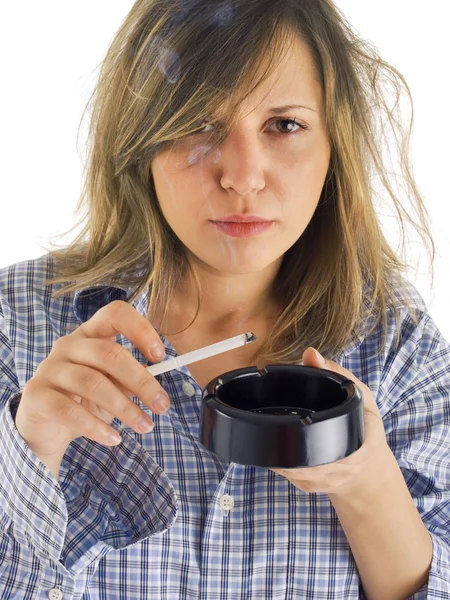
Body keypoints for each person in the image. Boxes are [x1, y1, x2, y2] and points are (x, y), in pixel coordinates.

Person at [0, 0, 449, 598]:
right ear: (140, 144)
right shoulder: (16, 321)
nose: (241, 175)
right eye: (198, 124)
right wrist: (29, 447)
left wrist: (368, 483)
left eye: (284, 125)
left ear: (333, 145)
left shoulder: (397, 343)